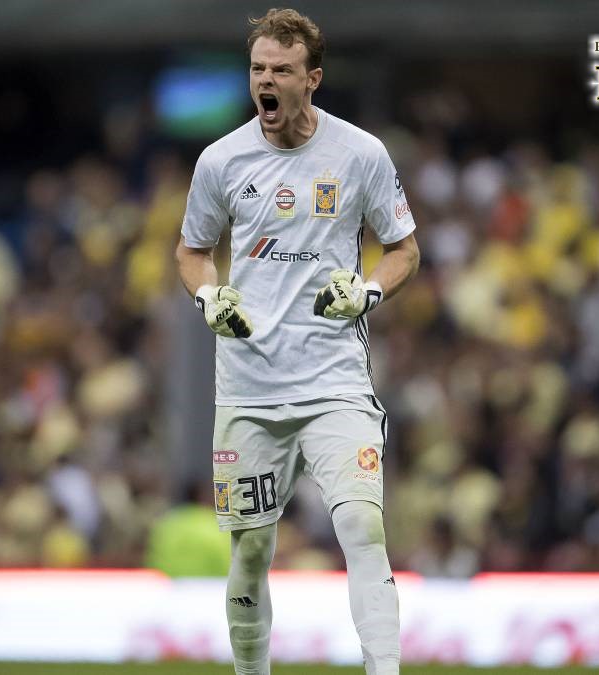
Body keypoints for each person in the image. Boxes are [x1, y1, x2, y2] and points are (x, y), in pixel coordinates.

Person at [174, 8, 419, 674]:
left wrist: (367, 291)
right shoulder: (220, 160)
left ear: (312, 78)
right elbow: (192, 252)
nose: (266, 81)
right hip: (249, 389)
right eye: (258, 68)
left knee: (363, 527)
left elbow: (403, 250)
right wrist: (207, 295)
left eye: (281, 69)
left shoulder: (360, 153)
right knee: (251, 550)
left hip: (334, 379)